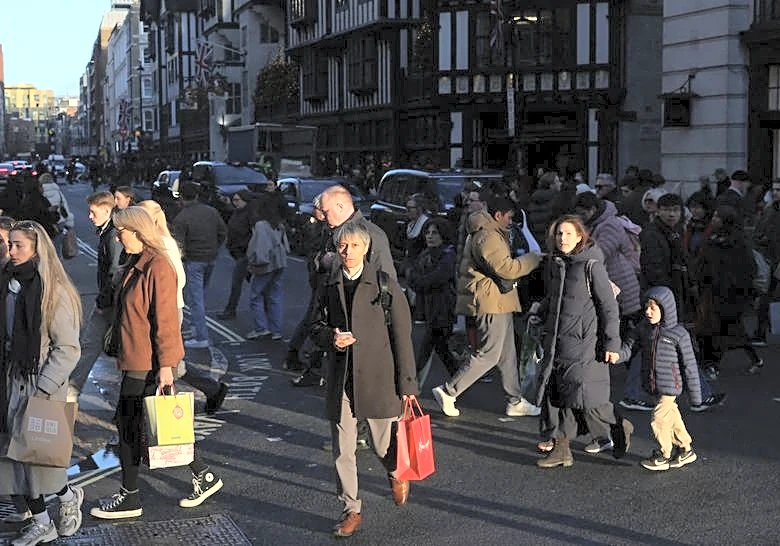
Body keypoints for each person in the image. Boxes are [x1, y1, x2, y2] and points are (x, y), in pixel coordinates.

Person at [90, 207, 223, 520]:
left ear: (137, 231)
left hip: (147, 360)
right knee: (150, 425)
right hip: (136, 356)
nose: (118, 238)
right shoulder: (136, 261)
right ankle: (203, 476)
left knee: (133, 426)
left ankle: (130, 497)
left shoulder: (158, 266)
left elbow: (165, 321)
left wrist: (166, 366)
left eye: (122, 232)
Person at [309, 222, 418, 538]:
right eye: (343, 246)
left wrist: (408, 385)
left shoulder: (384, 285)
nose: (348, 252)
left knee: (382, 445)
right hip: (342, 377)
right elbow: (314, 325)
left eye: (355, 246)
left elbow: (402, 336)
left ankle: (396, 471)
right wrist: (330, 337)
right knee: (343, 450)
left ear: (366, 248)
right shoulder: (328, 284)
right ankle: (351, 509)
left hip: (379, 378)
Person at [0, 220, 84, 544]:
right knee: (15, 456)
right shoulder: (7, 283)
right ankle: (45, 518)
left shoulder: (54, 293)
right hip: (10, 378)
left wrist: (44, 388)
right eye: (11, 244)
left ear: (38, 249)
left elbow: (67, 349)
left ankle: (62, 501)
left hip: (39, 383)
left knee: (37, 457)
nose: (12, 251)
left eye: (19, 245)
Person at [530, 215, 633, 468]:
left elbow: (609, 307)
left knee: (588, 400)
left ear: (580, 237)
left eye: (567, 233)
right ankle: (561, 450)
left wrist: (612, 344)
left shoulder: (591, 265)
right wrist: (539, 313)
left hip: (585, 344)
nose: (562, 238)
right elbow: (555, 298)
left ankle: (618, 425)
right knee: (557, 394)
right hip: (557, 341)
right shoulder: (557, 264)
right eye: (559, 234)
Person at [431, 196, 542, 418]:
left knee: (507, 354)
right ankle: (449, 390)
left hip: (497, 300)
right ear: (498, 215)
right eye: (509, 217)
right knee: (489, 354)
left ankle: (515, 400)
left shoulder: (486, 232)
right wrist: (533, 259)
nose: (511, 221)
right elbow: (506, 268)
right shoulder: (488, 236)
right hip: (491, 301)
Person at [137, 200, 229, 414]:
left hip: (168, 310)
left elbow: (176, 278)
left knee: (171, 364)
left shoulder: (163, 244)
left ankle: (212, 388)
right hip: (157, 310)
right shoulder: (152, 242)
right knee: (163, 362)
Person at [611, 287, 702, 471]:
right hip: (652, 383)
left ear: (665, 308)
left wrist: (696, 398)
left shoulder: (678, 333)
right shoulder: (644, 329)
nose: (648, 312)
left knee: (659, 418)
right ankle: (685, 449)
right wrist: (618, 356)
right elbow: (629, 347)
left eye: (653, 308)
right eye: (646, 307)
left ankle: (664, 454)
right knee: (672, 416)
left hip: (670, 386)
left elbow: (690, 365)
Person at [68, 191, 125, 400]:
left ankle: (70, 394)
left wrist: (104, 302)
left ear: (107, 210)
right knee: (90, 347)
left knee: (96, 348)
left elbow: (114, 272)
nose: (89, 217)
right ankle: (70, 395)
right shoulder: (107, 232)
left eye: (93, 212)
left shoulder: (112, 236)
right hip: (108, 303)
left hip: (111, 305)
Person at [173, 182, 227, 349]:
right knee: (200, 295)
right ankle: (197, 328)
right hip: (210, 258)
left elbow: (179, 246)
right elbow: (222, 232)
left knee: (196, 299)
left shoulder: (181, 218)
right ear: (196, 195)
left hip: (194, 261)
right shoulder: (212, 211)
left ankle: (201, 337)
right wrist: (215, 248)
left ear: (181, 197)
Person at [406, 217, 459, 388]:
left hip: (443, 309)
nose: (430, 236)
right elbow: (412, 275)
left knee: (428, 349)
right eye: (427, 233)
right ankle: (458, 383)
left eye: (434, 233)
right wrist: (416, 279)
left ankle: (412, 386)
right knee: (441, 351)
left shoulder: (448, 255)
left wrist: (417, 280)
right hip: (430, 309)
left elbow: (432, 280)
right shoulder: (425, 254)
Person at [245, 200, 289, 341]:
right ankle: (276, 330)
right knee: (274, 296)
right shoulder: (278, 224)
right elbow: (286, 245)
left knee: (255, 296)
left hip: (267, 264)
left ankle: (261, 328)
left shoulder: (261, 225)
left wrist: (253, 264)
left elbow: (260, 248)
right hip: (280, 263)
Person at [217, 190, 254, 320]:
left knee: (237, 283)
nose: (235, 203)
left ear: (245, 200)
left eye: (238, 200)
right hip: (238, 253)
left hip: (246, 253)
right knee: (256, 285)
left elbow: (252, 235)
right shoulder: (237, 212)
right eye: (234, 200)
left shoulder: (250, 215)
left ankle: (230, 309)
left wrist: (244, 247)